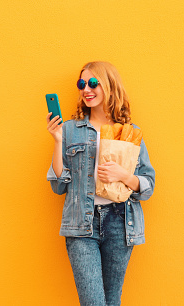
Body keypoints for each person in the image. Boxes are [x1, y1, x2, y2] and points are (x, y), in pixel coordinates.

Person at [46, 61, 155, 306]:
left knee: (112, 301)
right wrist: (57, 140)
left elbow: (148, 185)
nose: (87, 89)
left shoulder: (129, 132)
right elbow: (58, 185)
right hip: (81, 224)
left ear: (109, 86)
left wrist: (123, 175)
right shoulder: (70, 130)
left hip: (120, 222)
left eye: (93, 83)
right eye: (82, 84)